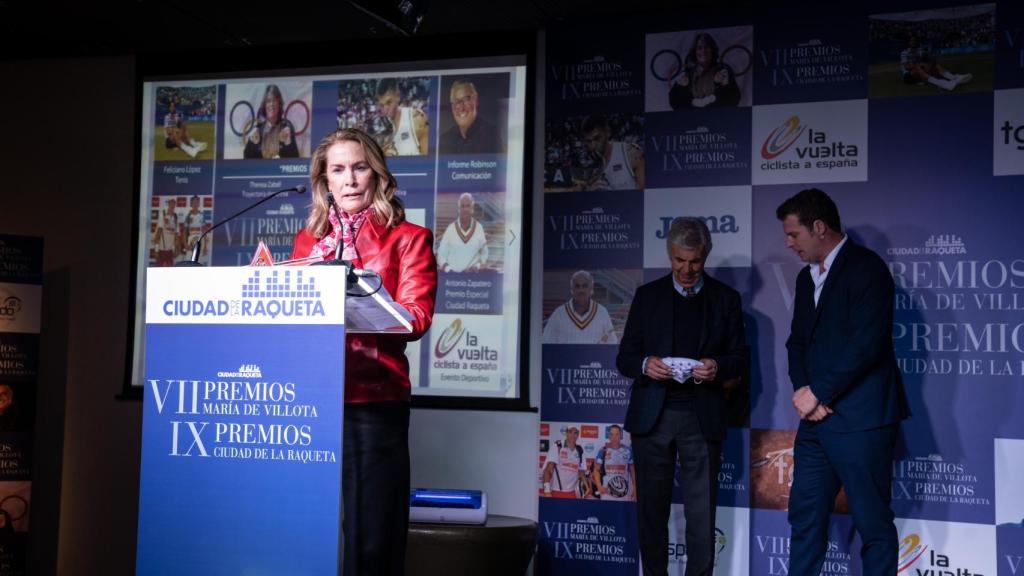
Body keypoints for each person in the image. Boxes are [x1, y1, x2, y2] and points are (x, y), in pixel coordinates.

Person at [289, 127, 437, 576]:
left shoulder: (409, 237)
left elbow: (416, 317)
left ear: (376, 175)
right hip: (311, 401)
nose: (350, 179)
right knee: (302, 531)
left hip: (374, 400)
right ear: (325, 181)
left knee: (372, 543)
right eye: (338, 169)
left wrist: (359, 302)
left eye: (359, 167)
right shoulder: (305, 241)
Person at [776, 188, 909, 576]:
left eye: (793, 234)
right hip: (816, 422)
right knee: (805, 520)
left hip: (862, 421)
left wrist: (819, 392)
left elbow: (867, 344)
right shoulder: (805, 279)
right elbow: (797, 342)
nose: (788, 243)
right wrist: (805, 393)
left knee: (873, 526)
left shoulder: (867, 269)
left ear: (819, 228)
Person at [616, 217, 748, 576]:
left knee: (702, 519)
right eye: (679, 260)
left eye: (695, 262)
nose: (687, 270)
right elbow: (625, 357)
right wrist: (646, 364)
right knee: (651, 516)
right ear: (669, 254)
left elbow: (739, 359)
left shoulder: (726, 299)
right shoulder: (648, 296)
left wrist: (716, 366)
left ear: (705, 256)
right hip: (652, 419)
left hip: (701, 418)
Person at [668, 33, 741, 110]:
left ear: (712, 50)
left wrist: (725, 86)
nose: (703, 51)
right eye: (699, 48)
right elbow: (674, 103)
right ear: (694, 52)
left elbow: (734, 100)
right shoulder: (686, 74)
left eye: (706, 47)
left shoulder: (723, 71)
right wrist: (681, 89)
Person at [543, 270, 618, 344]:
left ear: (591, 289)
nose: (581, 290)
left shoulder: (602, 312)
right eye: (577, 286)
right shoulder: (558, 314)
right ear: (572, 290)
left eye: (585, 286)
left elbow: (612, 342)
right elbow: (546, 342)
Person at [439, 80, 505, 154]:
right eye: (456, 102)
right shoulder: (445, 140)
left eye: (466, 99)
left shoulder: (492, 136)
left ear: (476, 100)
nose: (461, 108)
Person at [578, 117, 644, 190]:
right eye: (589, 141)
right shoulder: (592, 164)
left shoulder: (630, 153)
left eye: (597, 138)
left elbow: (648, 195)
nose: (593, 145)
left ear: (607, 132)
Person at [374, 78, 429, 156]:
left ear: (398, 96)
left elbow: (430, 164)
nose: (385, 110)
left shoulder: (416, 119)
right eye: (382, 105)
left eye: (389, 102)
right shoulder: (386, 131)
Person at [436, 192, 488, 273]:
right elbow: (441, 255)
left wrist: (477, 267)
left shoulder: (479, 228)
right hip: (452, 280)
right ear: (459, 209)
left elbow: (484, 254)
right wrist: (449, 270)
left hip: (473, 280)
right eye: (462, 206)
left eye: (468, 206)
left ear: (472, 209)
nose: (465, 209)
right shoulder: (450, 229)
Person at [244, 84, 300, 159]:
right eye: (268, 101)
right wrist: (251, 143)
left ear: (279, 104)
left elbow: (295, 159)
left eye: (274, 100)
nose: (271, 104)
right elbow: (246, 158)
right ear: (264, 105)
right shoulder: (258, 129)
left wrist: (289, 143)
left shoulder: (286, 128)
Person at [900, 36, 972, 91]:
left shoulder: (920, 50)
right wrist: (918, 63)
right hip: (909, 76)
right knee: (918, 67)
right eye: (911, 41)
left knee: (935, 65)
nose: (913, 42)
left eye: (914, 41)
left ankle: (954, 78)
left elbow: (929, 59)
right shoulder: (904, 53)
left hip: (921, 73)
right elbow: (907, 67)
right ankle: (944, 83)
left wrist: (929, 61)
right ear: (908, 43)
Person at [541, 425, 589, 499]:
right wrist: (547, 491)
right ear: (566, 433)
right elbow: (548, 470)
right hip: (556, 492)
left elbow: (581, 471)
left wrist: (587, 486)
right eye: (570, 432)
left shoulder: (580, 450)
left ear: (578, 434)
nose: (573, 435)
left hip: (573, 493)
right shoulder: (558, 445)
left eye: (575, 433)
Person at [592, 424, 636, 501]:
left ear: (620, 435)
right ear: (609, 436)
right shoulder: (603, 451)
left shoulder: (628, 451)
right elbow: (596, 470)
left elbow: (633, 470)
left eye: (617, 434)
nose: (614, 437)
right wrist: (599, 485)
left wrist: (635, 487)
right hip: (607, 493)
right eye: (612, 434)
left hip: (623, 493)